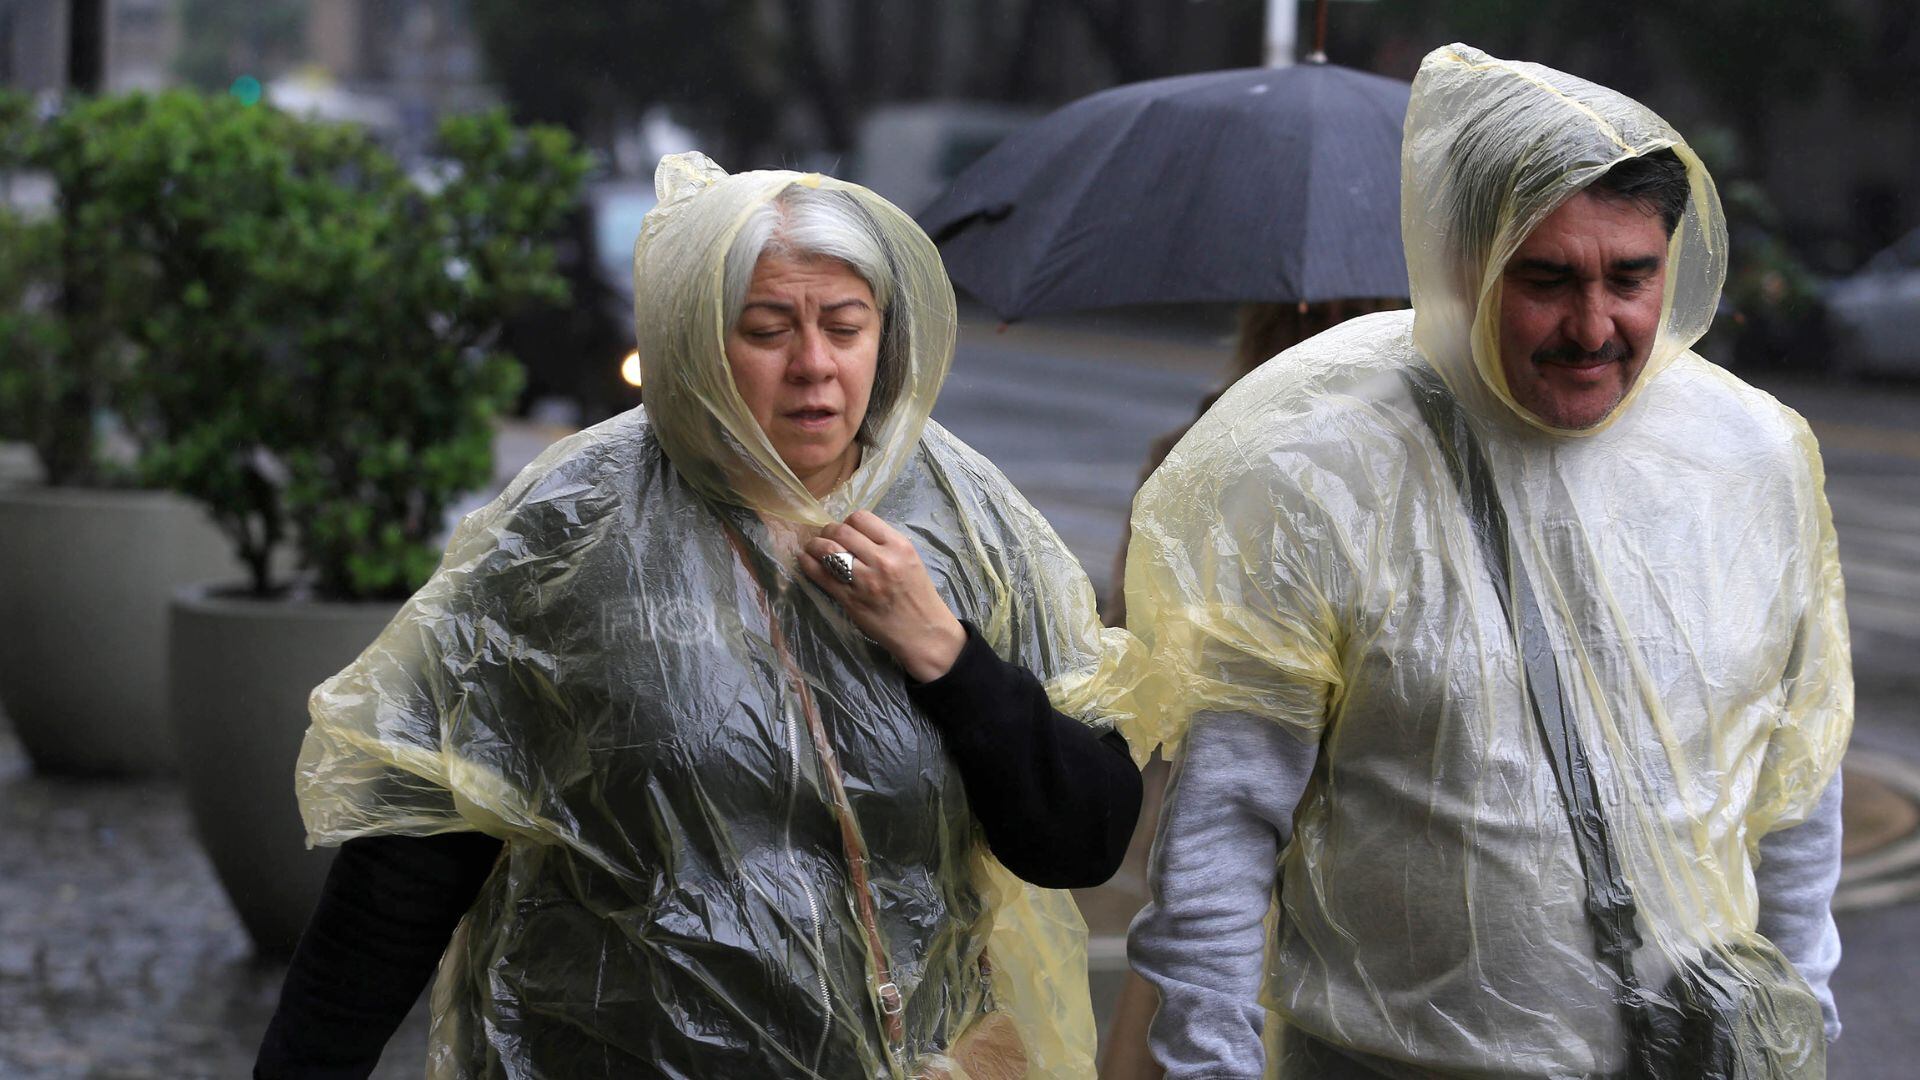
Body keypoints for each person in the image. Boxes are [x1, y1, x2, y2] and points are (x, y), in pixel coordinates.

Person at [254, 152, 1147, 1079]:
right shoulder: (575, 521)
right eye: (768, 330)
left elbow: (1083, 838)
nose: (815, 367)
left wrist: (944, 652)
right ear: (696, 341)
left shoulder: (970, 521)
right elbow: (416, 849)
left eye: (846, 327)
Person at [1125, 44, 1850, 1080]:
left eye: (1632, 277)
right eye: (1548, 279)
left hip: (1691, 1054)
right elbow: (1223, 828)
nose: (1595, 326)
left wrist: (1806, 1017)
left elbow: (1797, 784)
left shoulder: (1753, 460)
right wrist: (1208, 1061)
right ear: (1465, 265)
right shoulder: (1325, 470)